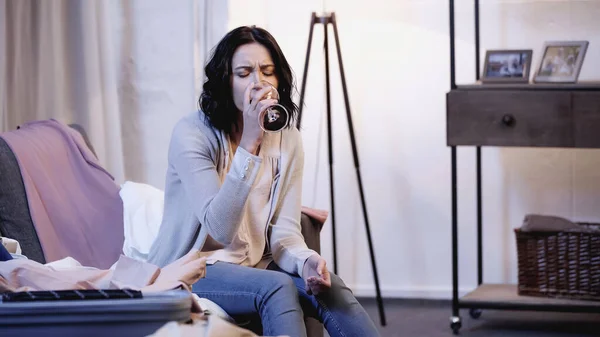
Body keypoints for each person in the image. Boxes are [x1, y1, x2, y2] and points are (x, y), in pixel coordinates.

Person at [147, 26, 380, 337]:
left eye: (267, 71)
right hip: (195, 267)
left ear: (279, 79)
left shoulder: (288, 139)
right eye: (244, 72)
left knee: (332, 289)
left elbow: (284, 231)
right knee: (277, 287)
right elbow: (220, 228)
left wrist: (307, 260)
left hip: (254, 264)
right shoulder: (191, 134)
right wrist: (249, 144)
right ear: (225, 81)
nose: (258, 82)